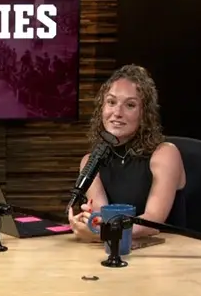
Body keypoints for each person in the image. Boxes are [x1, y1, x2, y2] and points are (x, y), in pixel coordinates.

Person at [68, 64, 187, 242]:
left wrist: (103, 233)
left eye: (130, 105)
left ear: (144, 114)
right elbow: (102, 217)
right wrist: (89, 224)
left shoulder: (165, 154)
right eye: (111, 102)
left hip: (168, 256)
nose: (117, 113)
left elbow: (153, 222)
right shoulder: (90, 161)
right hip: (119, 249)